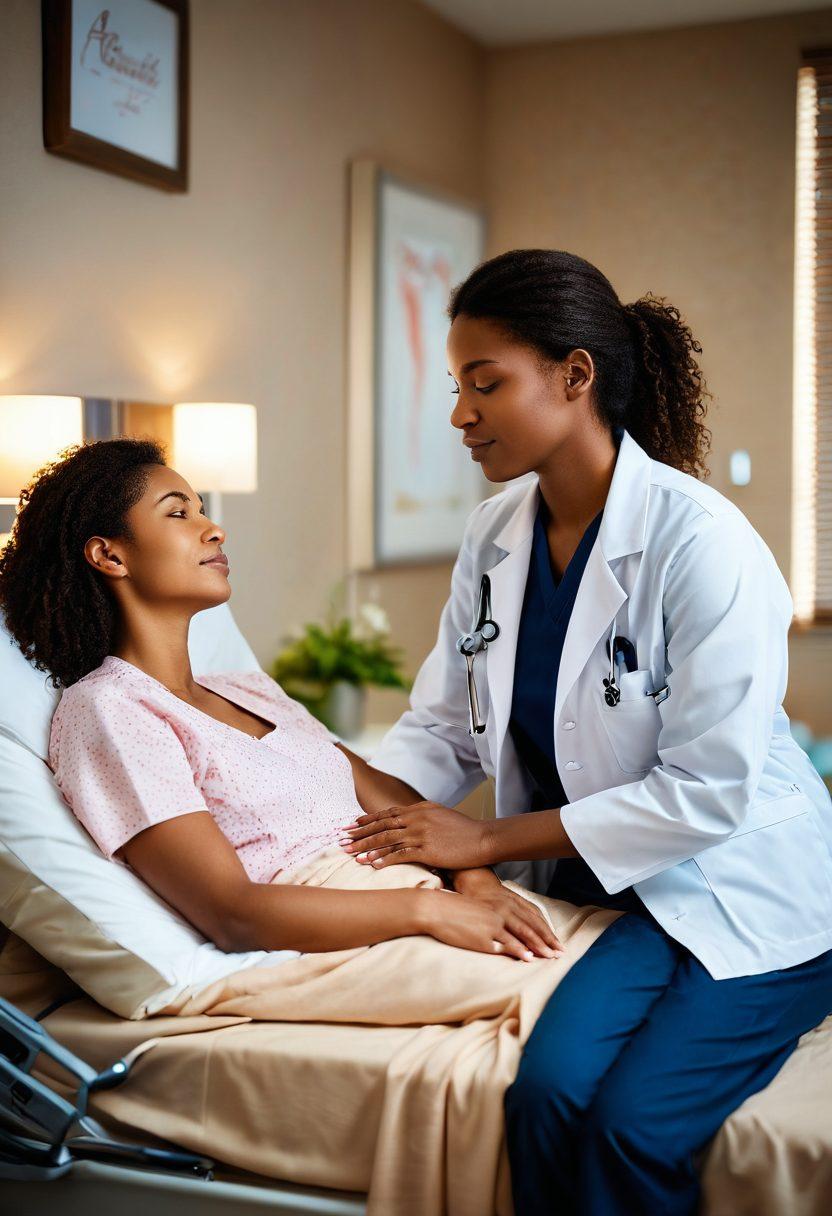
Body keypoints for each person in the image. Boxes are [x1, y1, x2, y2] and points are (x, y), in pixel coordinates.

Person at [348, 248, 832, 1216]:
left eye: (486, 384)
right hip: (606, 895)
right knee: (547, 1095)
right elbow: (442, 729)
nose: (459, 414)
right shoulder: (493, 537)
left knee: (632, 1128)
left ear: (575, 377)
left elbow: (707, 790)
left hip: (741, 880)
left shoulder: (702, 541)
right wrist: (336, 795)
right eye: (456, 386)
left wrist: (482, 840)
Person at [0, 437, 559, 964]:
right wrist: (430, 909)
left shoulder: (247, 690)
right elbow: (233, 914)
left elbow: (399, 807)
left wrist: (478, 882)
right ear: (109, 555)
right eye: (179, 513)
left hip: (440, 899)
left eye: (202, 509)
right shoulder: (109, 710)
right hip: (367, 932)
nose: (214, 529)